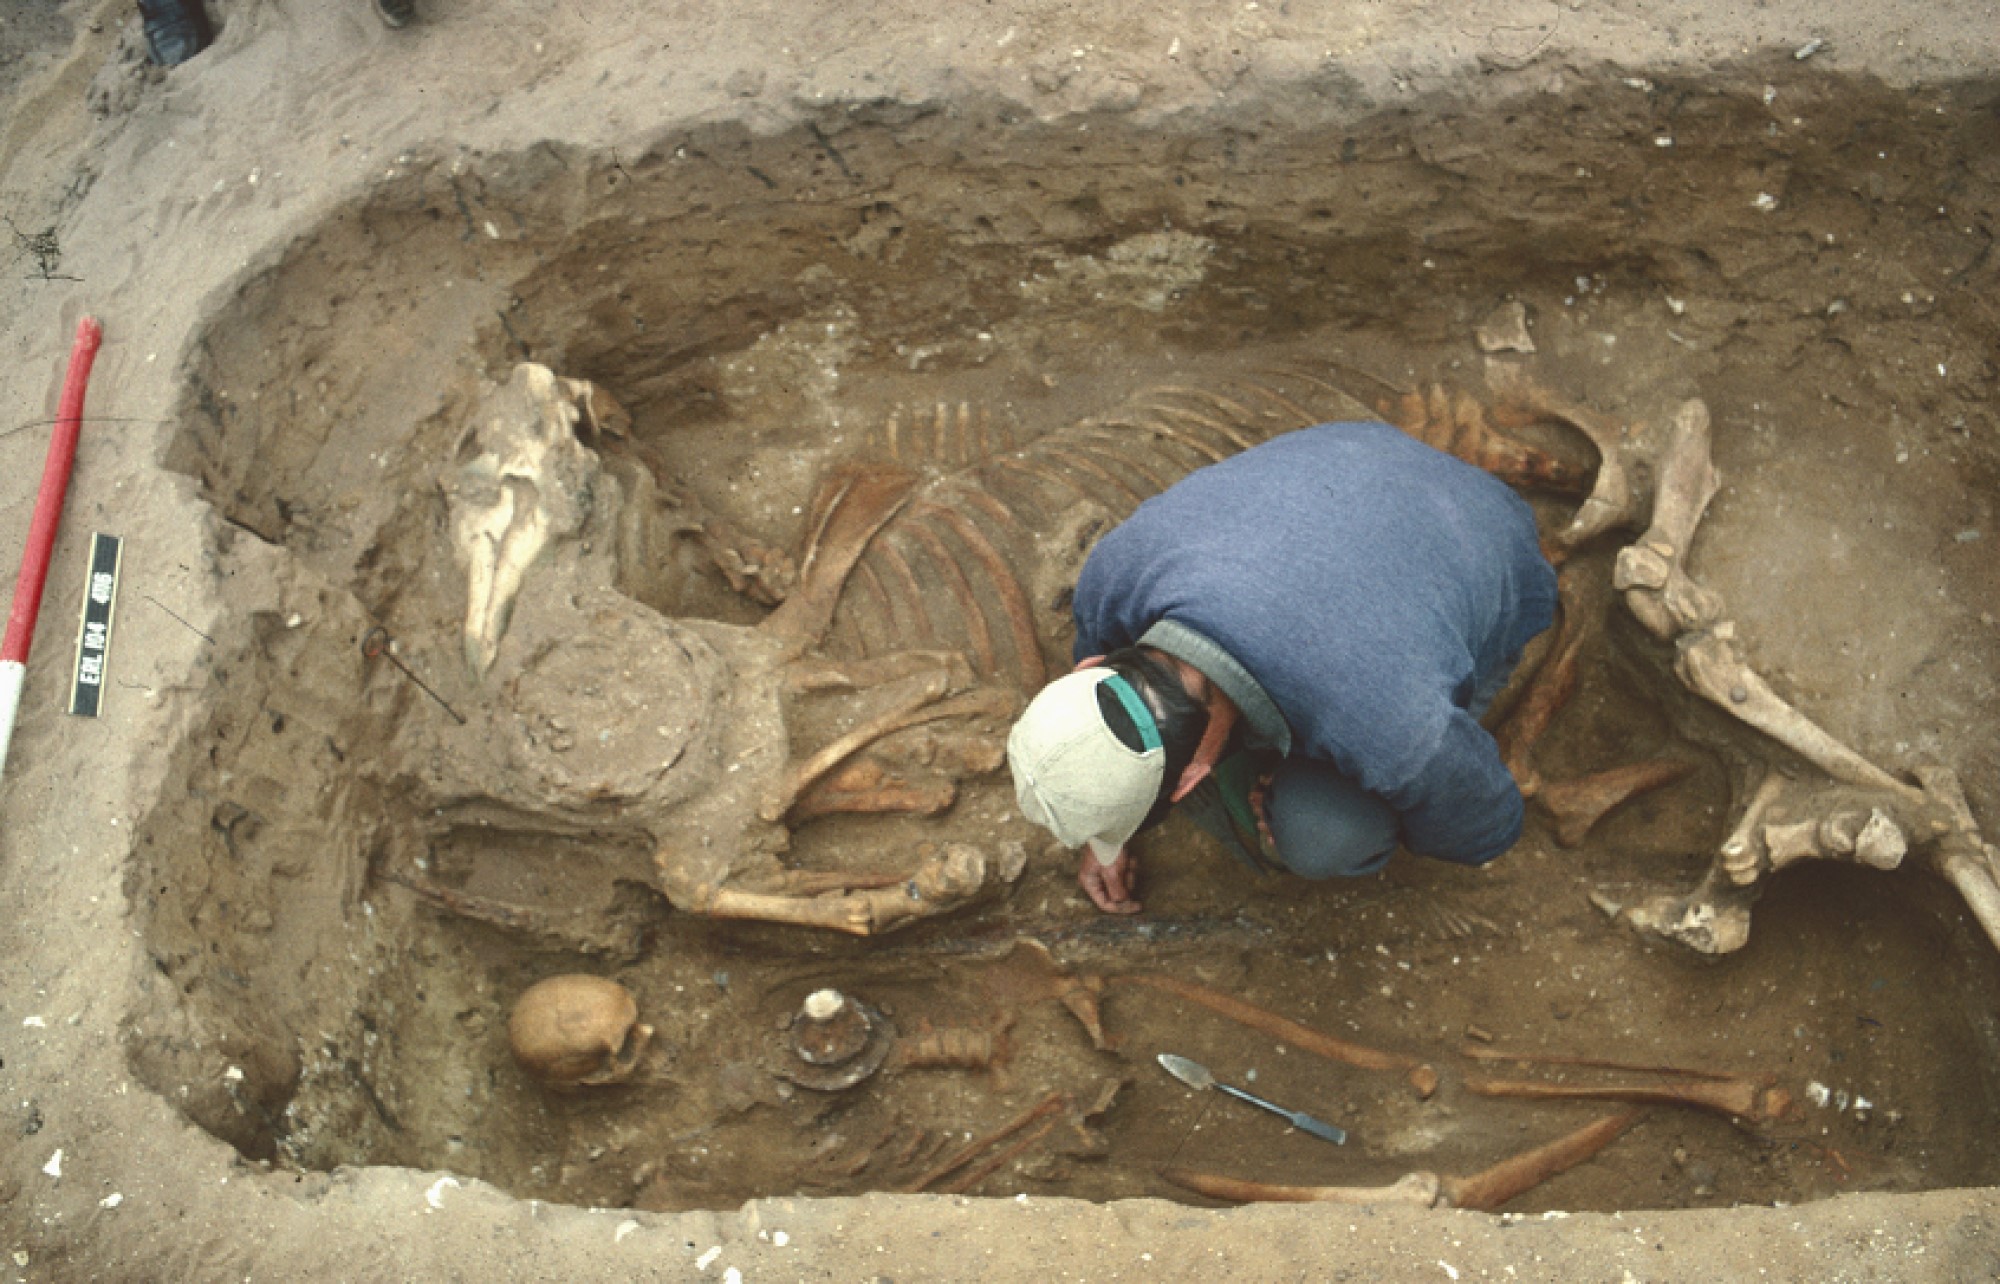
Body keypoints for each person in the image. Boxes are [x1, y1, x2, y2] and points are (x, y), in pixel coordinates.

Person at [1007, 416, 1557, 913]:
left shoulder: (1393, 725)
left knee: (1324, 833)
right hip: (1354, 447)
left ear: (1192, 776)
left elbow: (1486, 827)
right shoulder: (1114, 571)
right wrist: (1107, 820)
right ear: (1092, 667)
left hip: (1495, 537)